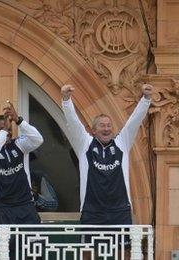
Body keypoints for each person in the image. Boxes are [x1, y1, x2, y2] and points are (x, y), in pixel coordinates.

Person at [61, 83, 152, 257]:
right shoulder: (85, 144)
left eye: (109, 125)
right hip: (92, 211)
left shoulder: (121, 144)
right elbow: (74, 124)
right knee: (89, 253)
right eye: (102, 126)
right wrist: (66, 100)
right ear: (94, 130)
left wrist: (146, 99)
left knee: (123, 253)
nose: (106, 128)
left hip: (119, 210)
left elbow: (134, 122)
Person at [0, 103, 44, 259]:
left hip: (26, 205)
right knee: (5, 251)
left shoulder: (19, 144)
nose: (7, 132)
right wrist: (3, 133)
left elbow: (38, 139)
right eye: (1, 129)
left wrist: (19, 121)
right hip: (3, 208)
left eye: (8, 129)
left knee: (36, 250)